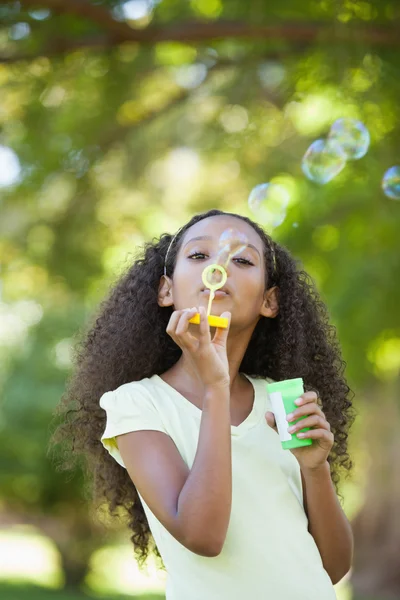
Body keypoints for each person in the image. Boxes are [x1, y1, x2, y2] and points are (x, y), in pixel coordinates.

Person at [51, 208, 356, 600]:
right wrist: (216, 386)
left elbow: (332, 567)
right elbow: (203, 535)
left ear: (270, 300)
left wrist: (316, 471)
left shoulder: (283, 399)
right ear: (166, 290)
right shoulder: (137, 404)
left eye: (242, 260)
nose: (220, 266)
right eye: (198, 256)